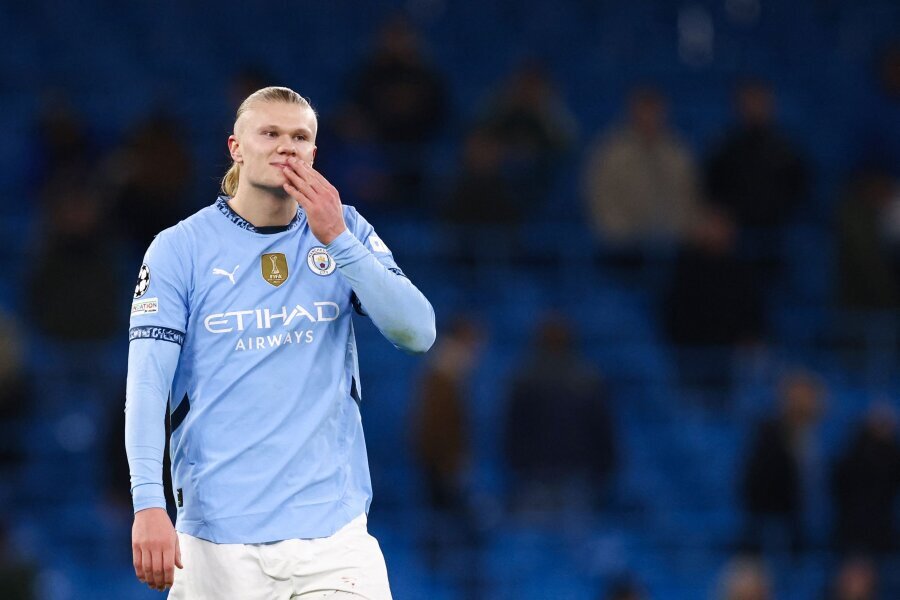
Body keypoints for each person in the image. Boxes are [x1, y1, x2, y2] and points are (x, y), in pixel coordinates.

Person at [125, 86, 436, 599]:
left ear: (314, 153)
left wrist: (337, 239)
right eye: (269, 133)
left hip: (333, 542)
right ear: (236, 147)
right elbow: (146, 385)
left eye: (300, 137)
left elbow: (418, 332)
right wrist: (147, 503)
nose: (286, 146)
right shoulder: (179, 250)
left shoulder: (344, 228)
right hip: (217, 542)